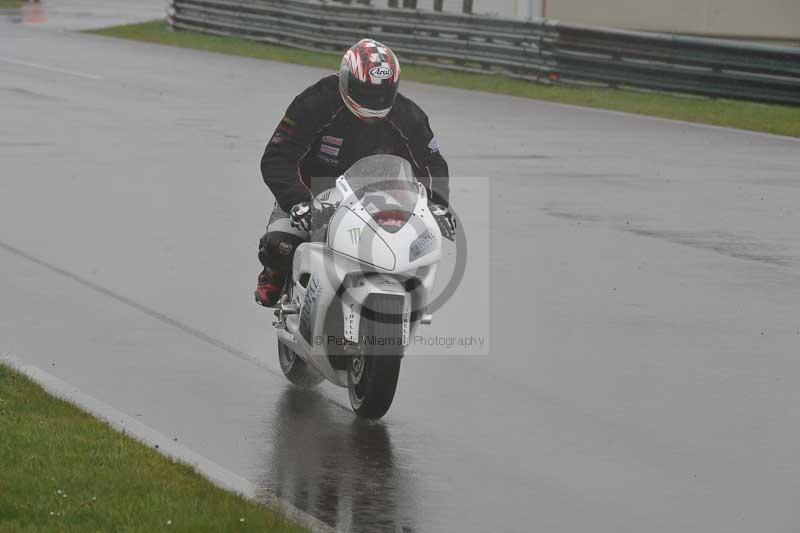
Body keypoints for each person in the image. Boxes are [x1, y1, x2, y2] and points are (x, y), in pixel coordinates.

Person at [255, 39, 457, 307]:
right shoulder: (314, 101)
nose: (374, 103)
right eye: (365, 92)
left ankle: (407, 305)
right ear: (346, 79)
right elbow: (277, 156)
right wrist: (297, 201)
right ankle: (278, 282)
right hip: (311, 194)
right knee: (279, 246)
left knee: (415, 250)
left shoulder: (409, 115)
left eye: (382, 94)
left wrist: (437, 203)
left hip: (377, 199)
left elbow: (432, 162)